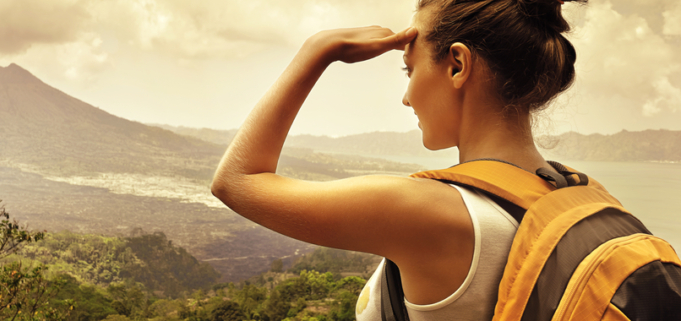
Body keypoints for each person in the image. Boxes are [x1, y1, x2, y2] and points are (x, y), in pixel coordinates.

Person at [211, 0, 582, 319]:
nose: (406, 97)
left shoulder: (428, 209)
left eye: (410, 69)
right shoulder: (574, 194)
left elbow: (235, 181)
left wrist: (317, 50)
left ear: (457, 65)